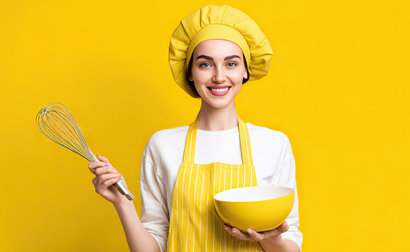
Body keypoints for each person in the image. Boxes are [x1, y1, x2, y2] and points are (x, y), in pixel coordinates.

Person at [87, 4, 303, 252]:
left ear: (246, 70)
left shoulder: (273, 144)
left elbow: (291, 243)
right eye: (205, 64)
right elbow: (153, 245)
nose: (219, 77)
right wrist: (122, 204)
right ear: (190, 72)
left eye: (231, 64)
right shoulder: (162, 145)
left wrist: (267, 237)